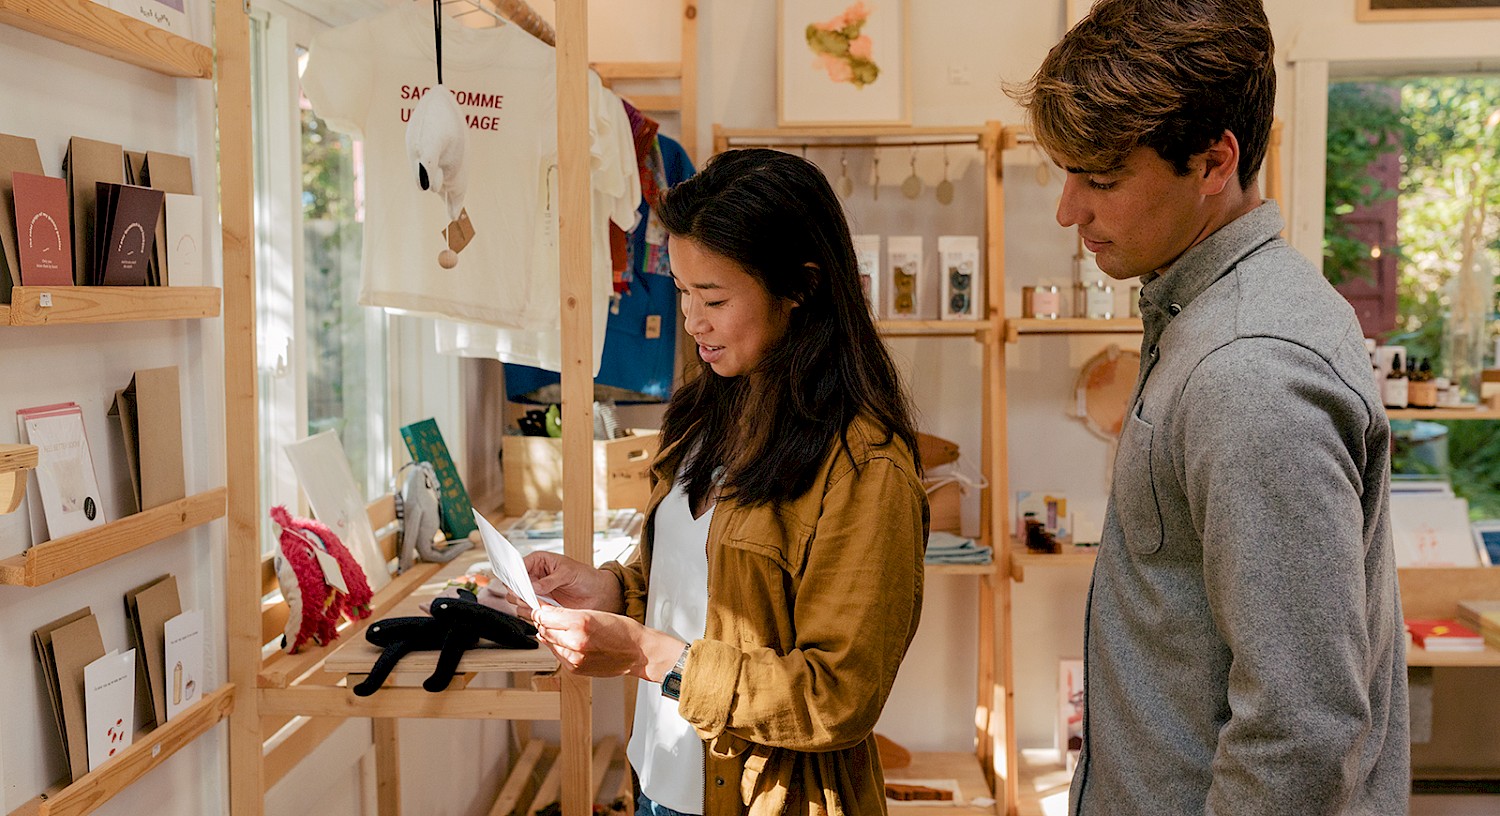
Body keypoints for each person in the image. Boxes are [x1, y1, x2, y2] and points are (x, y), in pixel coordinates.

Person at [1011, 1, 1409, 814]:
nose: (1068, 209)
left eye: (1104, 178)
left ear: (1213, 161)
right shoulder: (1211, 314)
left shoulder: (1248, 370)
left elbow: (1299, 730)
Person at [510, 148, 929, 816]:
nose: (691, 320)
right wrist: (614, 590)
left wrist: (647, 655)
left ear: (802, 287)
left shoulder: (865, 467)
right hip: (658, 778)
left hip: (763, 799)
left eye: (714, 298)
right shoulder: (710, 408)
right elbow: (699, 586)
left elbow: (837, 697)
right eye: (681, 291)